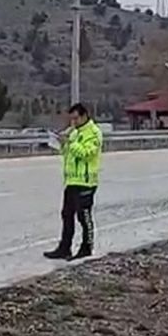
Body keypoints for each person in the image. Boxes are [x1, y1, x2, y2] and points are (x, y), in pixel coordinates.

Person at [44, 103, 103, 260]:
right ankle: (64, 248)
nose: (73, 122)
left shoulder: (94, 133)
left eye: (76, 118)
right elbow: (68, 154)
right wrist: (62, 143)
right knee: (67, 215)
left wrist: (70, 142)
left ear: (84, 116)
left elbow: (86, 153)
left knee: (84, 217)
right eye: (71, 119)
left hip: (86, 181)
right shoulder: (74, 133)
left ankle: (87, 248)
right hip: (71, 181)